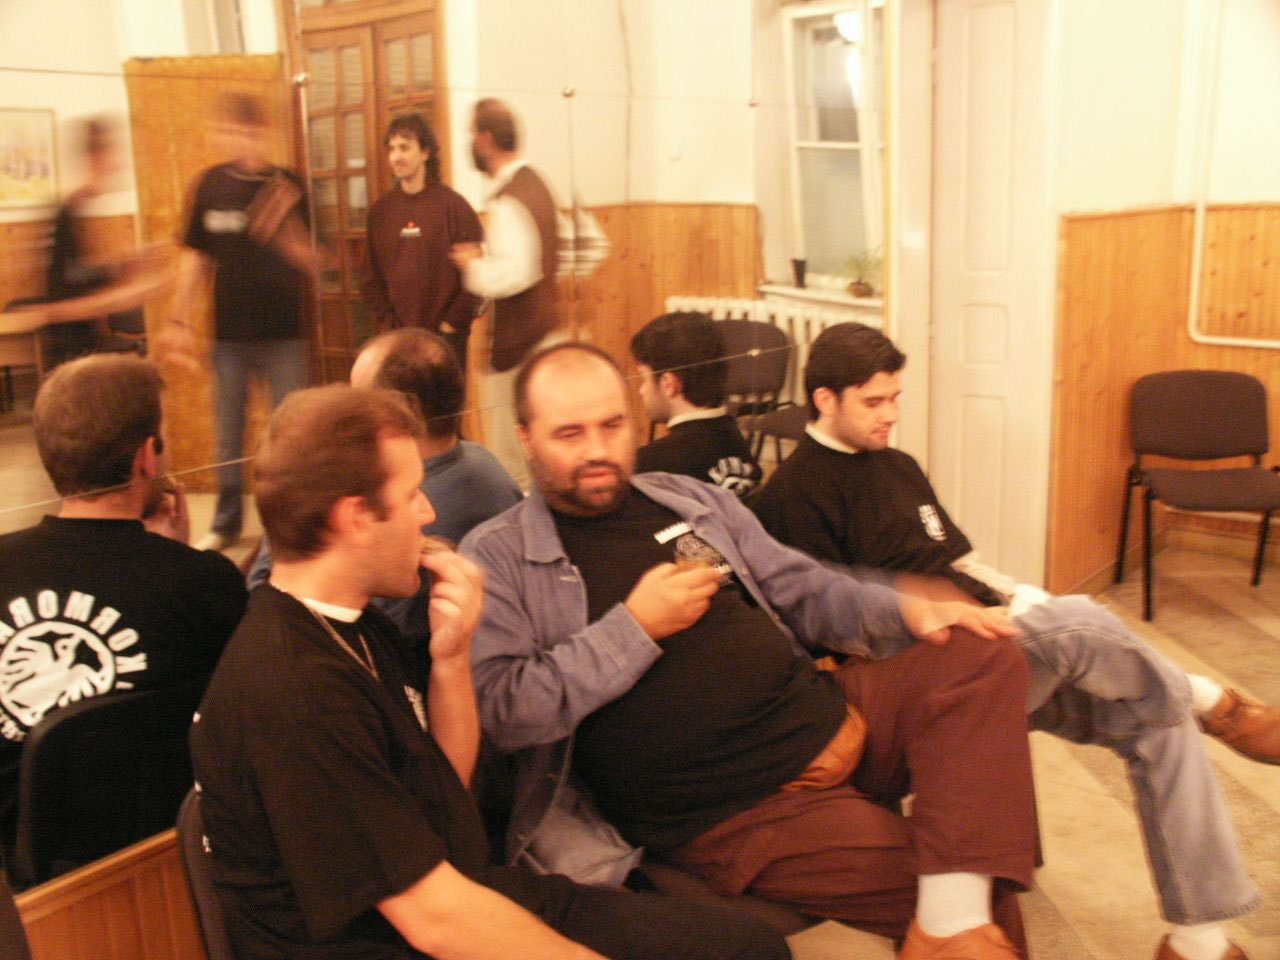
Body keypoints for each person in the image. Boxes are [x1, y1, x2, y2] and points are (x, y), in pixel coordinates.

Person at [462, 342, 1042, 960]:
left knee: (979, 652)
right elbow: (505, 711)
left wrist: (905, 608)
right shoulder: (499, 555)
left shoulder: (685, 500)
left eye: (611, 425)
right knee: (978, 890)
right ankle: (956, 917)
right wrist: (635, 627)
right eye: (570, 434)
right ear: (525, 438)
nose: (597, 450)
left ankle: (949, 921)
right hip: (737, 808)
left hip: (834, 714)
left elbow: (800, 585)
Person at [189, 384, 789, 960]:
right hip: (395, 940)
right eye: (412, 495)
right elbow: (433, 919)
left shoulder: (357, 625)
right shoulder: (291, 688)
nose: (429, 512)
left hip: (457, 895)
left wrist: (452, 659)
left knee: (746, 947)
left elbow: (445, 802)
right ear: (355, 518)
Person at [750, 321, 1268, 960]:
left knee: (1155, 717)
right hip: (917, 678)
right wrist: (975, 614)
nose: (891, 415)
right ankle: (1211, 700)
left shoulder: (898, 465)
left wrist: (1022, 598)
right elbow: (822, 626)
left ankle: (1199, 940)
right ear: (825, 399)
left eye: (896, 398)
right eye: (874, 402)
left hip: (986, 644)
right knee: (1081, 623)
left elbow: (957, 563)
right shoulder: (792, 497)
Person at [0, 354, 246, 853]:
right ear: (146, 458)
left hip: (28, 867)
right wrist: (173, 558)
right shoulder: (205, 583)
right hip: (167, 849)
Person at [247, 327, 522, 653]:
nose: (426, 510)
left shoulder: (394, 514)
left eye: (358, 400)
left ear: (399, 413)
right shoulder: (484, 463)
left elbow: (275, 602)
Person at [171, 92, 316, 552]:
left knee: (290, 435)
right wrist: (178, 320)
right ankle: (226, 521)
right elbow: (195, 259)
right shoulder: (210, 185)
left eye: (245, 131)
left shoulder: (287, 184)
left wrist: (284, 229)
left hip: (284, 336)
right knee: (228, 436)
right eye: (227, 131)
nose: (236, 140)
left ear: (262, 132)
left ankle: (289, 524)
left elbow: (315, 261)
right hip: (229, 337)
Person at [450, 98, 561, 485]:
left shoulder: (510, 199)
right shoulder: (537, 184)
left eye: (471, 134)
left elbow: (518, 273)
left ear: (484, 139)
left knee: (514, 463)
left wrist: (473, 265)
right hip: (544, 335)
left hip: (519, 346)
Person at [361, 114, 483, 374]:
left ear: (425, 152)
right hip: (398, 341)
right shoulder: (380, 212)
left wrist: (451, 325)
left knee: (445, 402)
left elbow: (477, 276)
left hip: (446, 341)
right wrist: (391, 327)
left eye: (405, 147)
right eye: (392, 149)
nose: (396, 156)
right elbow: (370, 279)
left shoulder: (454, 206)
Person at [630, 311, 761, 497]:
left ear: (668, 384)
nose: (641, 390)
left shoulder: (648, 465)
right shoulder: (736, 439)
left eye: (644, 379)